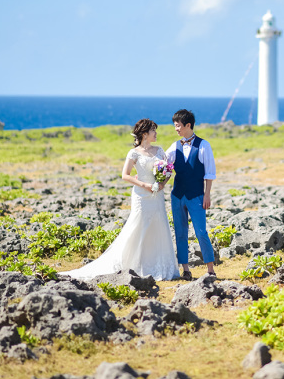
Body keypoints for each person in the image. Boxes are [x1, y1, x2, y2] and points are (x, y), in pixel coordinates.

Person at [60, 119, 180, 281]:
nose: (156, 133)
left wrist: (161, 183)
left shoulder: (159, 150)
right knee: (139, 225)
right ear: (145, 134)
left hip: (157, 194)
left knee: (158, 225)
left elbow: (168, 170)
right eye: (153, 130)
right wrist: (144, 184)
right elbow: (125, 175)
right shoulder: (134, 153)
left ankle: (158, 266)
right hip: (141, 194)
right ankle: (133, 264)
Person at [165, 109, 217, 280]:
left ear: (188, 125)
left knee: (201, 232)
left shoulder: (204, 145)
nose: (176, 129)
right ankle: (185, 269)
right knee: (180, 232)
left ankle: (210, 269)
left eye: (178, 125)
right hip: (177, 196)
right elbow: (163, 165)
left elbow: (209, 173)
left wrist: (207, 195)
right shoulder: (174, 146)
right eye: (175, 126)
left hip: (197, 196)